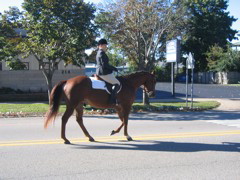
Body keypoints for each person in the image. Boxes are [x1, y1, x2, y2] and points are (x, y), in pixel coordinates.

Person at [96, 38, 120, 105]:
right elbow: (105, 65)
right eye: (105, 45)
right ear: (101, 45)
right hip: (103, 73)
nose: (106, 47)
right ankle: (112, 101)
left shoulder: (99, 52)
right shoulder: (101, 53)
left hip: (101, 72)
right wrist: (114, 68)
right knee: (117, 83)